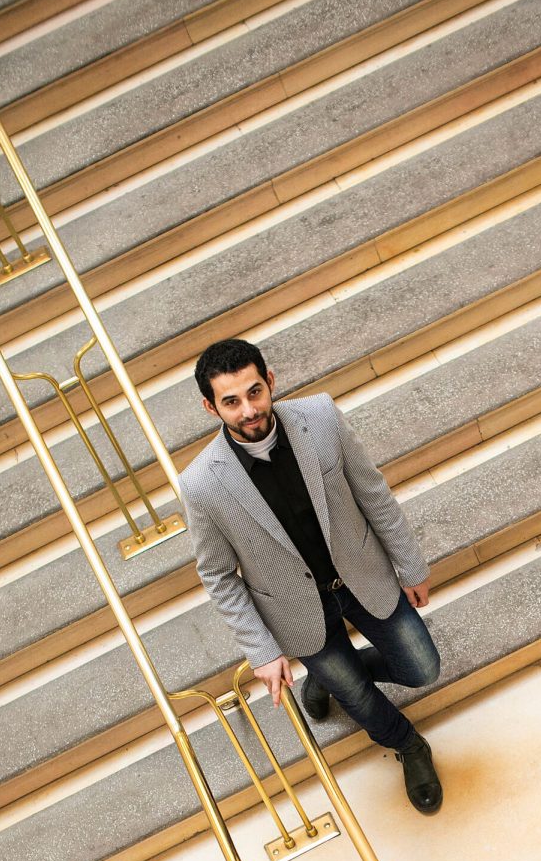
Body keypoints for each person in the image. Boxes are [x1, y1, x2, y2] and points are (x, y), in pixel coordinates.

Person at [179, 338, 443, 814]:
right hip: (296, 610)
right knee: (361, 702)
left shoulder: (320, 417)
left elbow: (372, 493)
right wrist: (261, 649)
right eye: (231, 401)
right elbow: (219, 576)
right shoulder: (201, 484)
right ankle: (408, 744)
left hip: (362, 576)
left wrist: (410, 564)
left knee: (422, 668)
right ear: (210, 406)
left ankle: (331, 681)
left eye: (254, 392)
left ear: (270, 381)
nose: (248, 410)